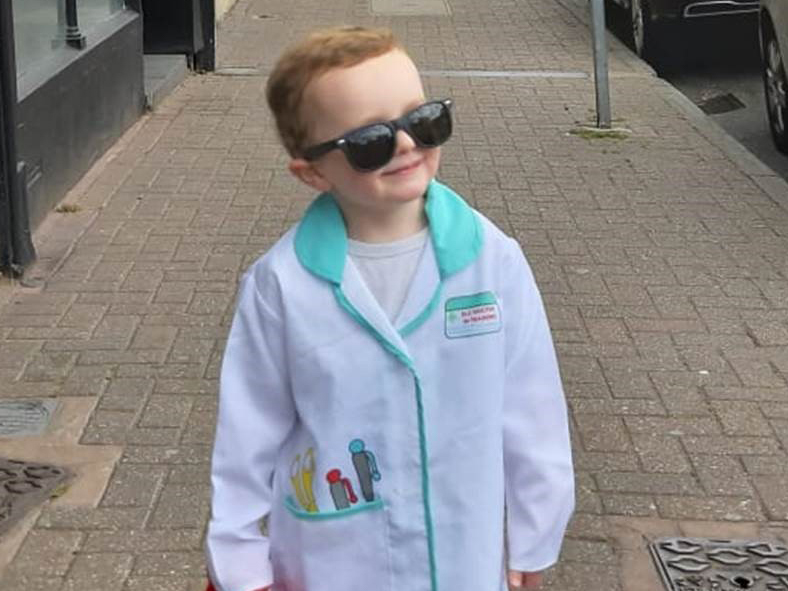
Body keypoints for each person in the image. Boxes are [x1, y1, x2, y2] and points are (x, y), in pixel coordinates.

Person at [205, 26, 575, 591]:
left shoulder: (493, 262)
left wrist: (535, 535)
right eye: (369, 141)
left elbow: (532, 409)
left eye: (423, 122)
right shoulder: (279, 284)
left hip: (465, 556)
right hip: (331, 562)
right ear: (313, 172)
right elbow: (246, 435)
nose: (406, 145)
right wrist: (238, 562)